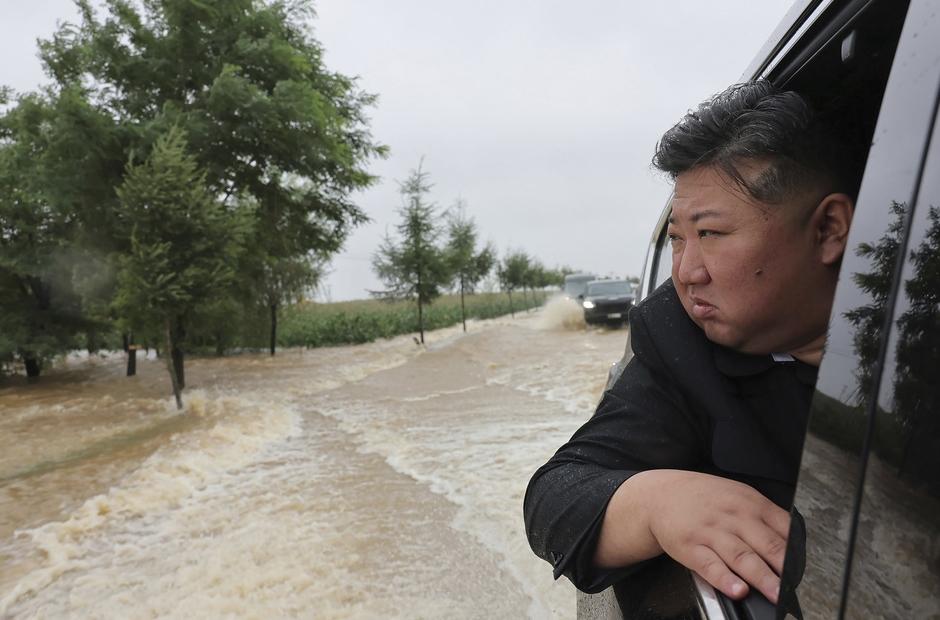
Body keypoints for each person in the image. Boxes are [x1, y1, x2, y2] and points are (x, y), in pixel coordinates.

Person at [523, 80, 859, 605]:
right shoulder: (679, 340)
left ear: (828, 230)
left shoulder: (914, 344)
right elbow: (555, 499)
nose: (685, 272)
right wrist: (654, 503)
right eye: (677, 239)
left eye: (711, 235)